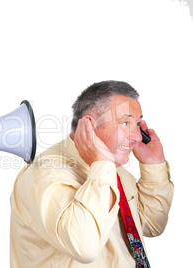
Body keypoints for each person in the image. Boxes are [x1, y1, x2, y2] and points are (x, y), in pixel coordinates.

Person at [10, 81, 174, 267]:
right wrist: (101, 166)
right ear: (88, 125)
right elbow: (85, 248)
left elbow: (152, 225)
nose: (137, 136)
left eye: (137, 124)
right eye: (125, 123)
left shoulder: (114, 171)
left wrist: (153, 164)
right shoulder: (44, 176)